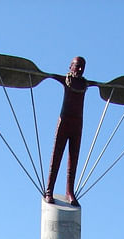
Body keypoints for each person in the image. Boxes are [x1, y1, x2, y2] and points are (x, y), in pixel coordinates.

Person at [44, 56, 99, 206]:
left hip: (77, 123)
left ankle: (70, 191)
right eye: (77, 66)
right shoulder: (66, 80)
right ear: (70, 67)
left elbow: (101, 86)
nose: (80, 69)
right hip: (64, 121)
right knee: (57, 156)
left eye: (82, 67)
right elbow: (50, 76)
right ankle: (49, 190)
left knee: (73, 159)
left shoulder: (84, 84)